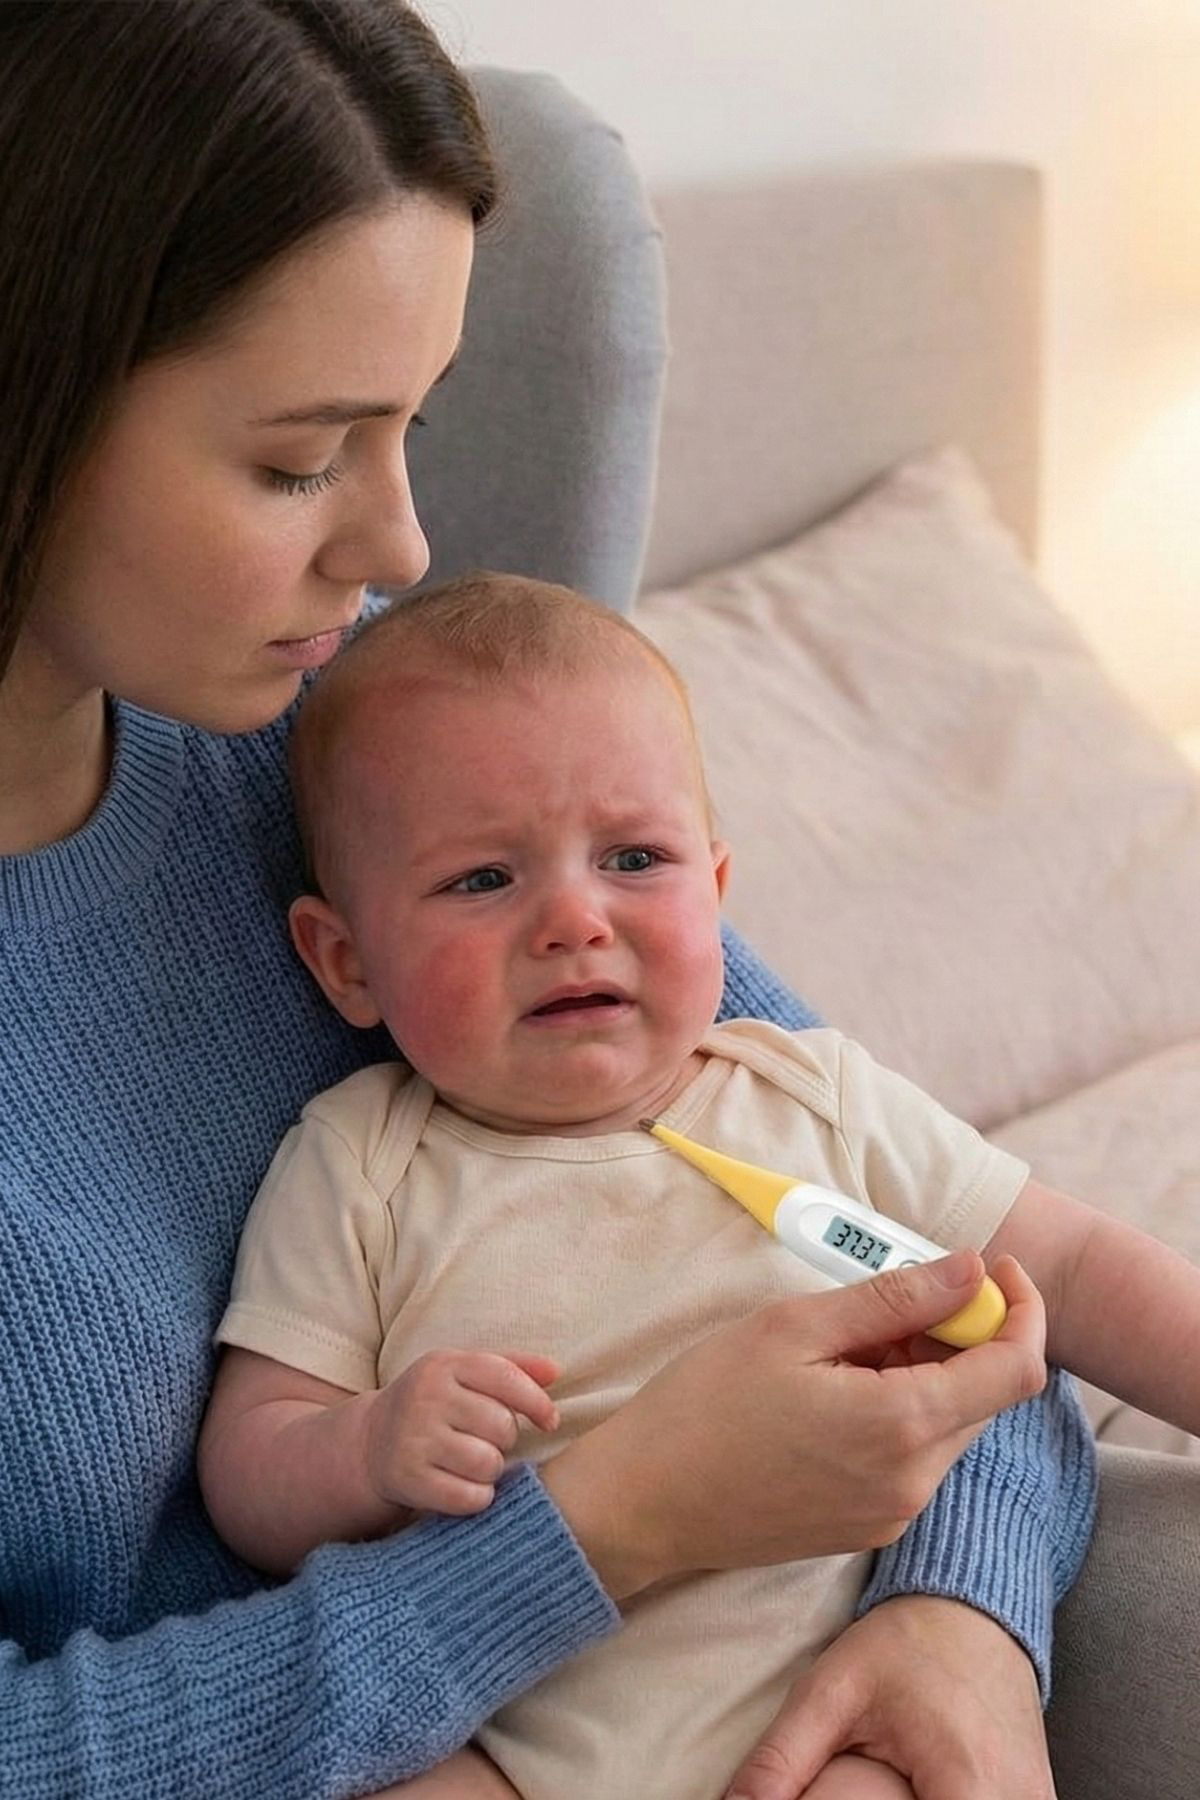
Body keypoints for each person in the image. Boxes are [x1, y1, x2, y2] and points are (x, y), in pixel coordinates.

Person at [0, 4, 1095, 1797]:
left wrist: (960, 1609)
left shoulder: (346, 730)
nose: (402, 551)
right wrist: (607, 1526)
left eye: (410, 427)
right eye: (297, 461)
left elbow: (882, 1218)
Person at [198, 569, 1200, 1800]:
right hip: (512, 1741)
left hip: (829, 1715)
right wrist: (365, 1449)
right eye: (482, 880)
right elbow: (249, 1466)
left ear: (717, 895)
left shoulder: (812, 1096)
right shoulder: (358, 1161)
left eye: (633, 857)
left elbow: (1079, 1264)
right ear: (347, 961)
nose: (574, 918)